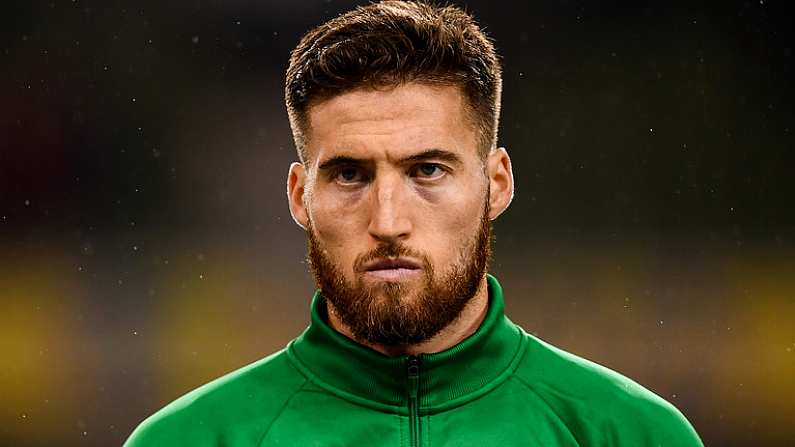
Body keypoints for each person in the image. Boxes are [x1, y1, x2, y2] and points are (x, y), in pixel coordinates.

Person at [124, 1, 704, 445]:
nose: (388, 221)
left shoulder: (630, 432)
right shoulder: (190, 439)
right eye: (350, 175)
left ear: (495, 183)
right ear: (301, 196)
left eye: (427, 170)